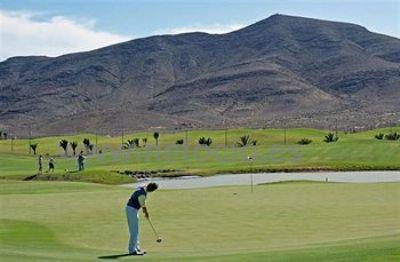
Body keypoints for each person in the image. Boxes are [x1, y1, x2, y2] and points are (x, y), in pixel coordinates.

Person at [126, 182, 159, 255]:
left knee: (136, 230)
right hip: (132, 210)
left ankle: (137, 248)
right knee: (134, 231)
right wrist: (146, 213)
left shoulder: (142, 187)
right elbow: (143, 206)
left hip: (132, 209)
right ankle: (132, 250)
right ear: (151, 190)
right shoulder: (142, 195)